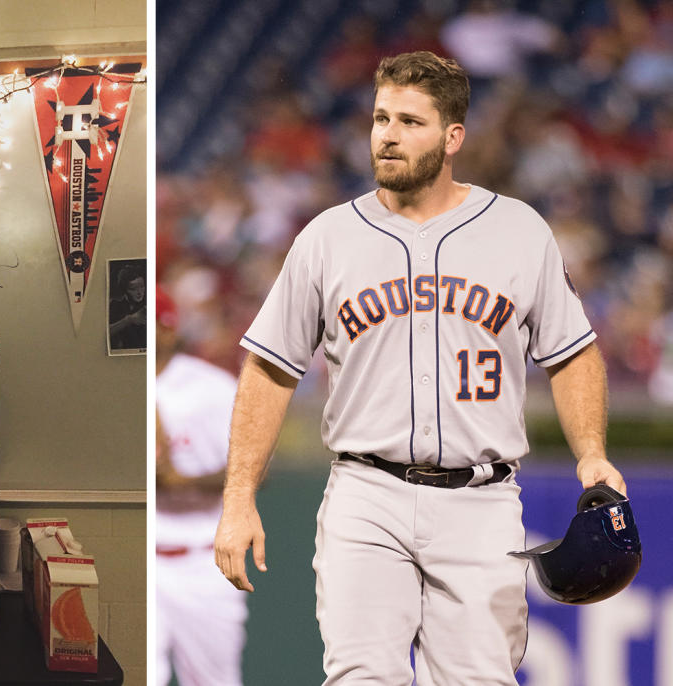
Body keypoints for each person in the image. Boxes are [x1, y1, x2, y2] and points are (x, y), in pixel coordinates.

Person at [213, 51, 628, 685]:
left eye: (411, 121)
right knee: (360, 677)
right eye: (381, 118)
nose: (388, 134)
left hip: (481, 500)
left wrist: (591, 453)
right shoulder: (327, 237)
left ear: (453, 136)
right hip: (365, 492)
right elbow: (269, 369)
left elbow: (572, 354)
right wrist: (239, 497)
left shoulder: (519, 231)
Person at [154, 287, 247, 686]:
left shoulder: (212, 388)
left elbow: (256, 470)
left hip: (202, 560)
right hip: (148, 558)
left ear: (168, 328)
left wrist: (183, 482)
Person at [108, 264, 145, 350]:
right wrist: (129, 320)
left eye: (142, 287)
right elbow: (106, 333)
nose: (139, 292)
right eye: (133, 289)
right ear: (124, 289)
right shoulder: (116, 306)